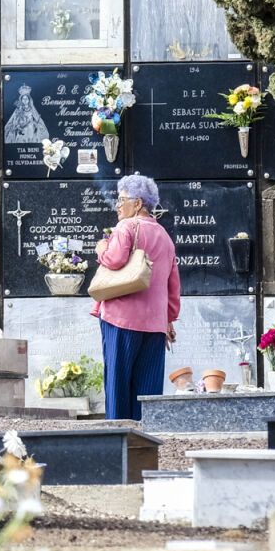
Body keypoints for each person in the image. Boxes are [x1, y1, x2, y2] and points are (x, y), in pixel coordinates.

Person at [91, 173, 181, 421]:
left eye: (122, 199)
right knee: (147, 391)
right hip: (155, 324)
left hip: (121, 318)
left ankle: (117, 440)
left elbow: (114, 259)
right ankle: (145, 446)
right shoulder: (164, 236)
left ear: (138, 203)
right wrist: (168, 320)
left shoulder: (126, 227)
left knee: (118, 383)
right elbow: (172, 286)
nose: (118, 205)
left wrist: (101, 248)